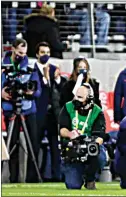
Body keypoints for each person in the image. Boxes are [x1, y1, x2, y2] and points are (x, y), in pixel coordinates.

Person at [1, 38, 42, 183]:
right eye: (19, 52)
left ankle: (32, 178)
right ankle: (12, 178)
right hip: (9, 109)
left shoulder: (31, 65)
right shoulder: (3, 64)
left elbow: (37, 90)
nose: (21, 56)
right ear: (12, 49)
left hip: (28, 109)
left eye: (24, 53)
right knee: (10, 146)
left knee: (33, 144)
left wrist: (31, 92)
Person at [59, 84, 106, 189]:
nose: (76, 99)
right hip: (74, 147)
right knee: (73, 185)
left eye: (80, 97)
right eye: (76, 96)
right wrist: (70, 134)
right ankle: (76, 171)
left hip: (89, 145)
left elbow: (100, 136)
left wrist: (92, 145)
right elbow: (62, 129)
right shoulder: (68, 107)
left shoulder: (97, 112)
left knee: (100, 156)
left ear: (88, 99)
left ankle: (90, 178)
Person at [34, 42, 67, 181]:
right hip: (37, 113)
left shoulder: (54, 69)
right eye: (42, 52)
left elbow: (62, 89)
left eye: (47, 52)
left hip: (53, 114)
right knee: (35, 145)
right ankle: (34, 175)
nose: (45, 55)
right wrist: (45, 79)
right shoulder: (32, 70)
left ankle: (56, 175)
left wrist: (58, 79)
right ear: (37, 54)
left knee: (55, 147)